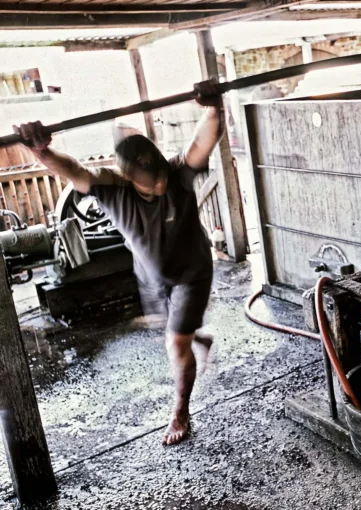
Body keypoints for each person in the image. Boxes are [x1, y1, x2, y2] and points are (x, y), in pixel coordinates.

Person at [14, 79, 224, 446]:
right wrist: (42, 152)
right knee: (176, 333)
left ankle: (181, 409)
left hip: (192, 273)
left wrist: (212, 108)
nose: (160, 187)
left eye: (161, 178)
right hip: (152, 278)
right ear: (128, 177)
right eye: (150, 185)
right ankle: (196, 338)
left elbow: (201, 143)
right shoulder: (111, 189)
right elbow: (74, 169)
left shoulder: (176, 173)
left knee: (175, 345)